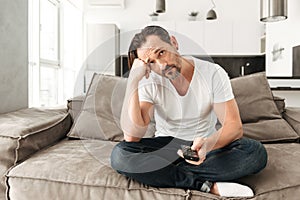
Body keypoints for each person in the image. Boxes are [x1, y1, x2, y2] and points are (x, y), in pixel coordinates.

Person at [110, 25, 267, 197]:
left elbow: (233, 126)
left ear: (174, 43)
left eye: (161, 52)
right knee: (120, 155)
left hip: (205, 145)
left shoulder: (212, 73)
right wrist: (133, 81)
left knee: (254, 152)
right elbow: (132, 137)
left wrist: (206, 146)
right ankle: (204, 185)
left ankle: (161, 172)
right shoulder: (150, 81)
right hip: (167, 146)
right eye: (151, 62)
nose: (161, 65)